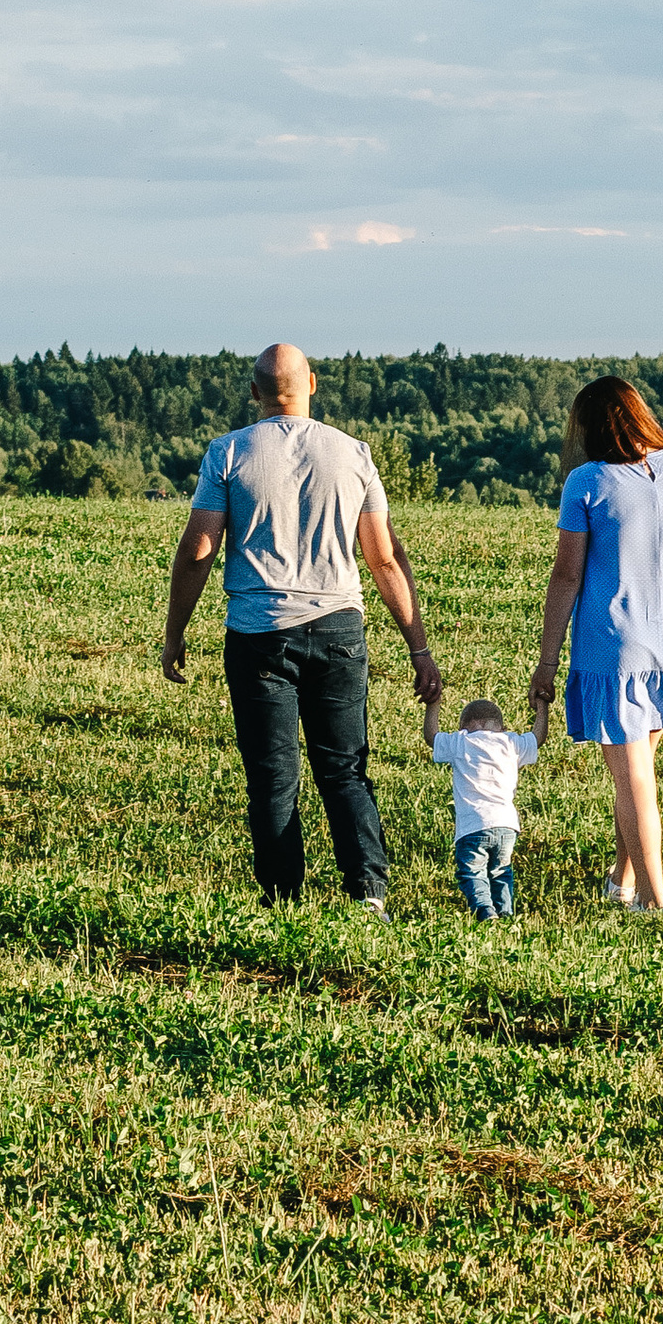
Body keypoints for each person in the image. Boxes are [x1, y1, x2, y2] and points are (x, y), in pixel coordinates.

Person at [161, 344, 442, 911]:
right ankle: (368, 891)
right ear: (311, 383)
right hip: (339, 628)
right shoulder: (354, 453)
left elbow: (198, 549)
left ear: (254, 392)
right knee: (345, 769)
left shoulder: (228, 452)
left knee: (271, 776)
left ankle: (283, 898)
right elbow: (383, 558)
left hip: (258, 632)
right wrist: (419, 648)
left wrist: (175, 631)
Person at [528, 374, 663, 914]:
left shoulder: (586, 482)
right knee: (639, 775)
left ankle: (652, 903)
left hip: (615, 643)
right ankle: (622, 881)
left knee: (633, 781)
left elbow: (566, 576)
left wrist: (546, 659)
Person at [424, 688, 538, 922]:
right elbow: (539, 737)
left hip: (472, 826)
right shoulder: (511, 742)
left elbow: (431, 737)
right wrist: (542, 707)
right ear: (501, 727)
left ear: (463, 727)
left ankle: (485, 910)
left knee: (472, 872)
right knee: (501, 872)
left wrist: (433, 704)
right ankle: (505, 912)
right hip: (507, 825)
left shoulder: (460, 741)